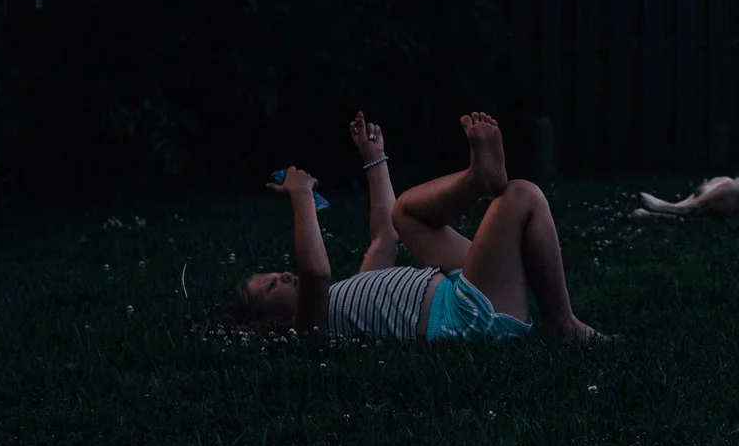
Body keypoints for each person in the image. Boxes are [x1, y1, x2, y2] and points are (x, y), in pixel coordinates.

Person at [222, 111, 608, 343]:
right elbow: (315, 273)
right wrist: (301, 195)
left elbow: (384, 236)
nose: (285, 274)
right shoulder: (309, 325)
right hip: (467, 319)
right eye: (271, 284)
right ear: (268, 323)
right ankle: (562, 324)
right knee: (521, 194)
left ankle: (478, 179)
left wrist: (375, 160)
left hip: (462, 293)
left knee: (402, 216)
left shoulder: (350, 294)